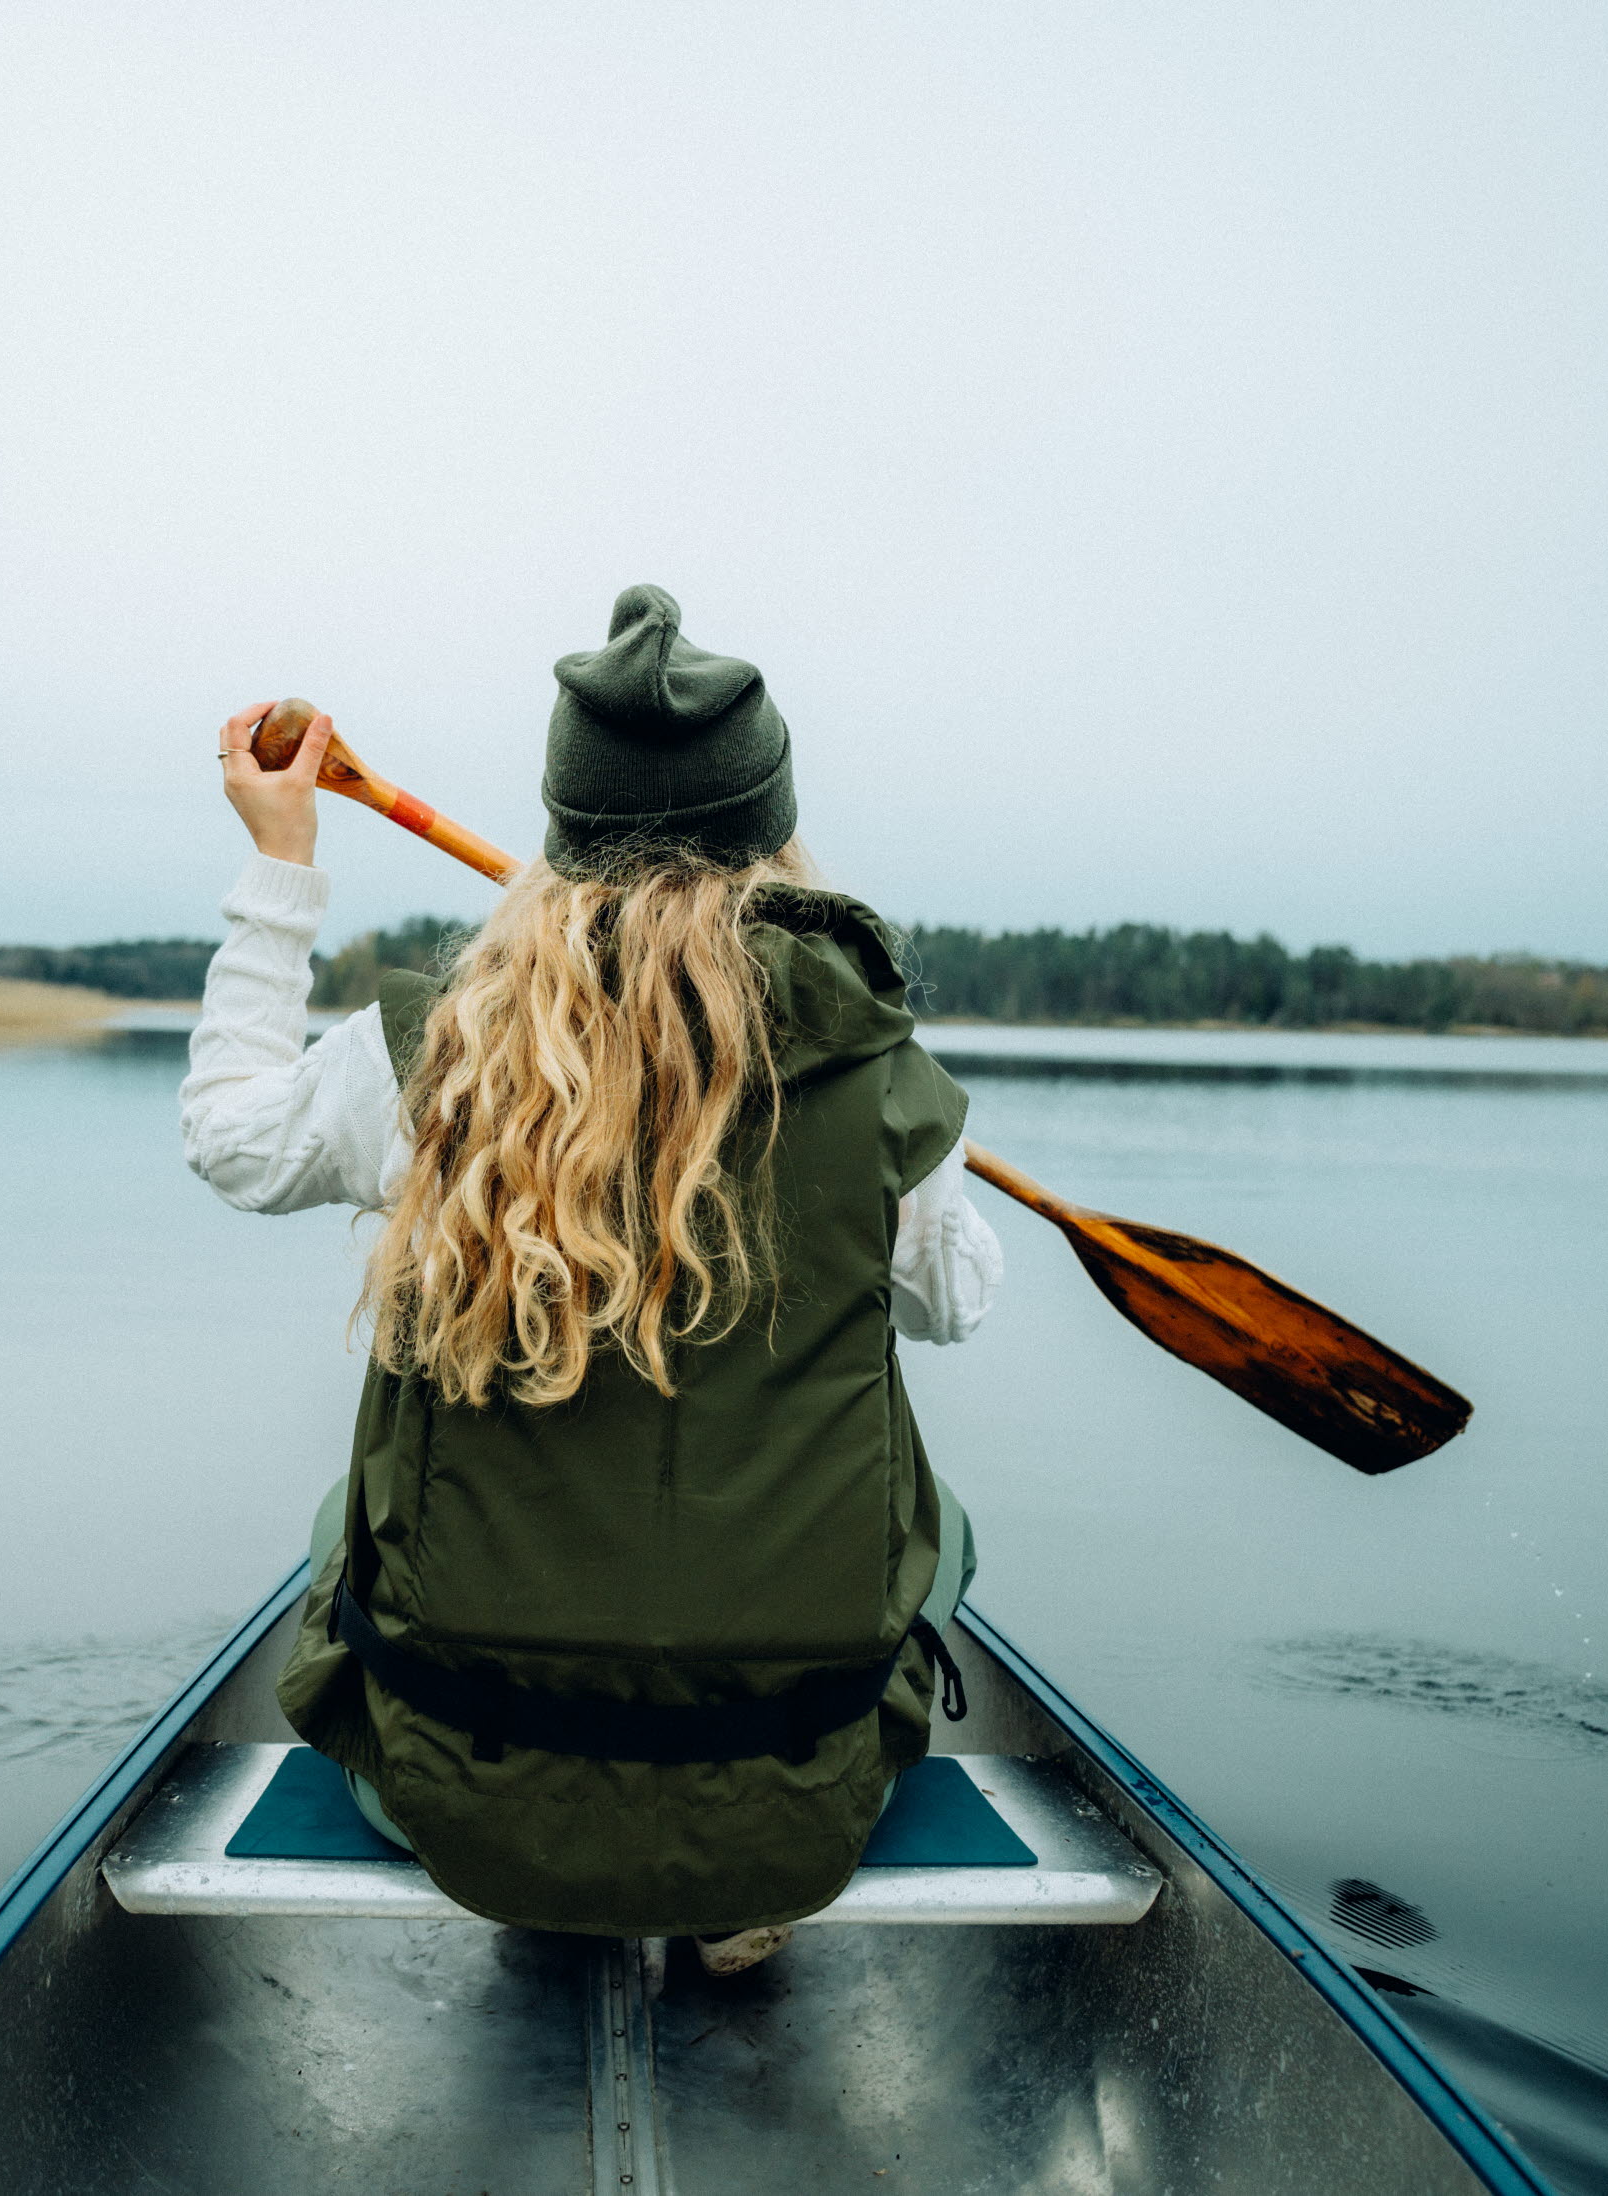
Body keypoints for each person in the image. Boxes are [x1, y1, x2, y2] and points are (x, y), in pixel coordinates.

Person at [181, 585, 1003, 1975]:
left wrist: (282, 868)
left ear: (566, 830)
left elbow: (233, 1146)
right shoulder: (879, 1079)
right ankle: (717, 1888)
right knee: (950, 1532)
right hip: (797, 1804)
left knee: (345, 1517)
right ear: (772, 834)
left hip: (449, 1794)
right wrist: (894, 1114)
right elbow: (955, 1302)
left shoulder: (432, 1055)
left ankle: (548, 1869)